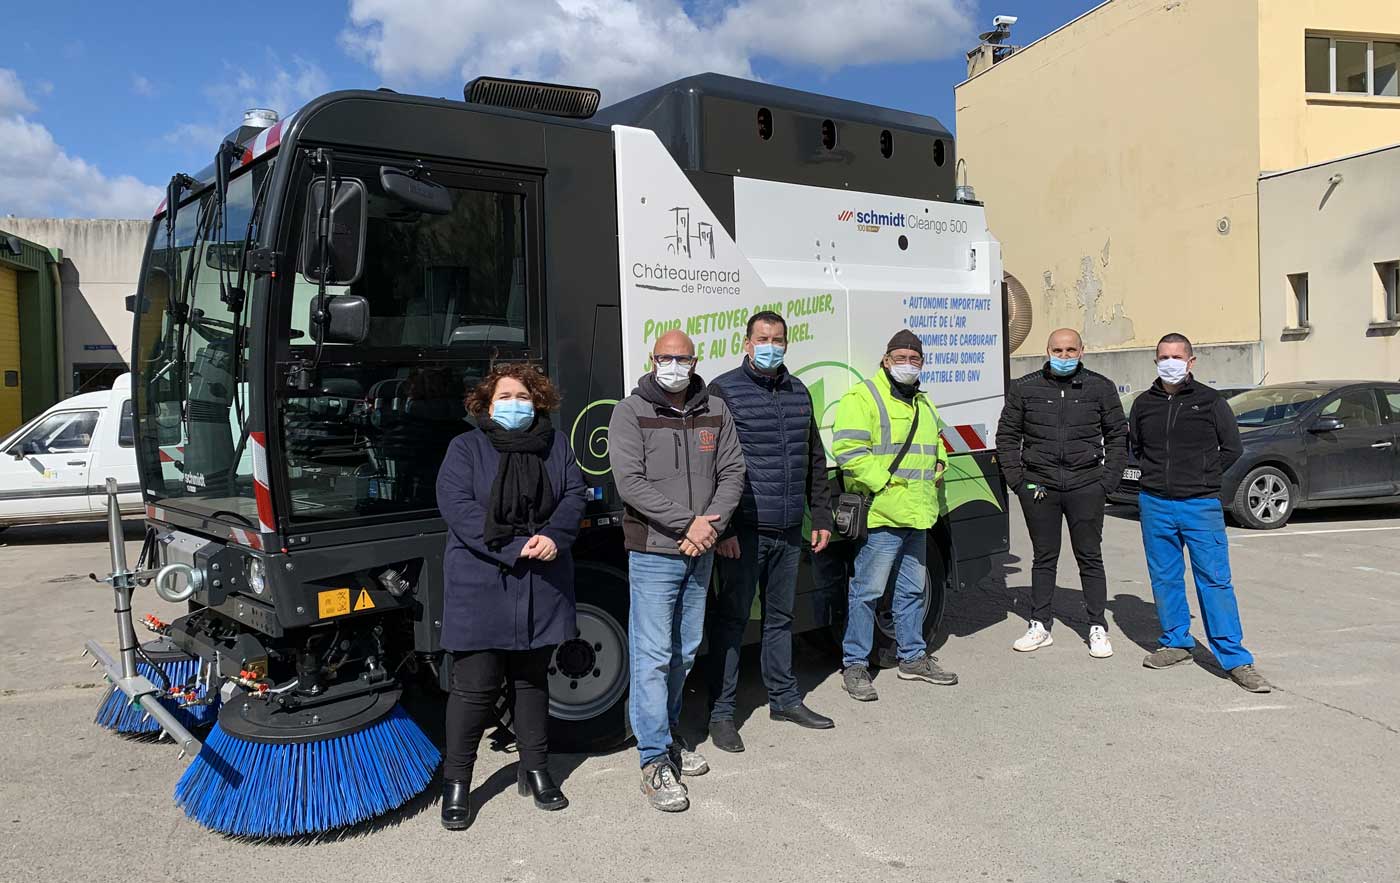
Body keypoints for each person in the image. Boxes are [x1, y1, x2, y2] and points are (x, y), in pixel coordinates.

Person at [435, 363, 589, 830]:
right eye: (504, 396)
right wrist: (515, 546)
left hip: (541, 583)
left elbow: (575, 495)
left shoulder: (556, 445)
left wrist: (555, 536)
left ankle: (536, 769)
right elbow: (457, 507)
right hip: (482, 584)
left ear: (537, 401)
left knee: (532, 683)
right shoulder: (465, 447)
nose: (514, 404)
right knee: (473, 688)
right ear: (486, 403)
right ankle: (457, 783)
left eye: (523, 396)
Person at [608, 330, 746, 812]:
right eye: (666, 357)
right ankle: (651, 761)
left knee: (684, 651)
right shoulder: (630, 412)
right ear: (652, 359)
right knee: (651, 655)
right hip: (654, 552)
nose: (674, 365)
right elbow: (630, 483)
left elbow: (733, 473)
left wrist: (708, 527)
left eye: (682, 358)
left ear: (695, 361)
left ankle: (666, 739)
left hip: (700, 548)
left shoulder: (716, 410)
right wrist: (689, 523)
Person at [705, 310, 835, 754]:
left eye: (778, 339)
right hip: (743, 531)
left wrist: (820, 517)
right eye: (763, 338)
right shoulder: (724, 390)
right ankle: (721, 713)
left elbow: (813, 458)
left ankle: (783, 699)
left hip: (786, 530)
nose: (771, 346)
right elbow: (710, 465)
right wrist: (721, 528)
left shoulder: (799, 392)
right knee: (733, 619)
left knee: (780, 618)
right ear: (746, 343)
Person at [1130, 333, 1271, 693]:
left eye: (1177, 355)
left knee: (1215, 580)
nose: (1170, 361)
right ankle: (1176, 642)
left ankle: (1236, 659)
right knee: (1165, 578)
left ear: (1191, 361)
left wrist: (1204, 478)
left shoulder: (1210, 402)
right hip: (1155, 504)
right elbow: (1137, 447)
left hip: (1200, 505)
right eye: (1163, 356)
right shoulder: (1144, 404)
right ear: (1155, 361)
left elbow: (1232, 448)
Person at [831, 330, 957, 702]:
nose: (907, 364)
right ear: (886, 360)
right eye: (900, 357)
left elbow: (937, 444)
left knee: (912, 591)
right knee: (866, 593)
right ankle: (855, 665)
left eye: (914, 359)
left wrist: (939, 464)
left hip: (918, 516)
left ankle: (913, 657)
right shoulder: (864, 397)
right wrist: (883, 483)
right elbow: (847, 449)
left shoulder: (923, 403)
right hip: (882, 515)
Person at [995, 328, 1127, 657]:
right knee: (1044, 557)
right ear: (1047, 350)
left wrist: (1105, 484)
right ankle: (1040, 624)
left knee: (1090, 557)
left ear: (1082, 352)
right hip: (1040, 487)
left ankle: (1097, 626)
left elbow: (1117, 438)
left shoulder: (1100, 387)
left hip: (1087, 485)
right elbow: (1007, 437)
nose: (1064, 356)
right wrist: (1020, 483)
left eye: (1070, 350)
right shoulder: (1025, 389)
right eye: (1058, 350)